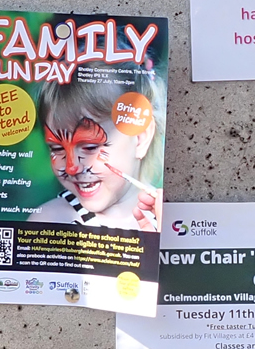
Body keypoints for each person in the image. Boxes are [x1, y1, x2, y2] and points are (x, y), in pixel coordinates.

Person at [28, 64, 164, 231]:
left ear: (140, 138)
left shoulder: (166, 218)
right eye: (57, 148)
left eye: (90, 147)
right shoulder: (51, 221)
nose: (71, 168)